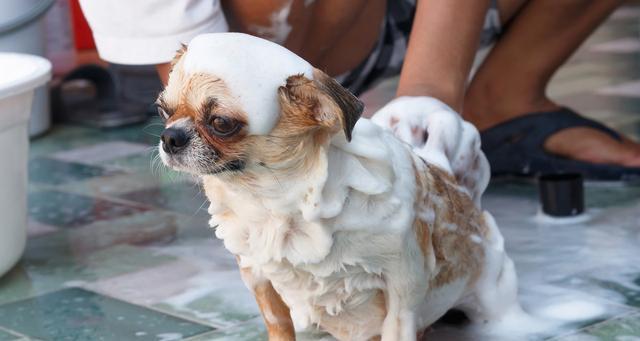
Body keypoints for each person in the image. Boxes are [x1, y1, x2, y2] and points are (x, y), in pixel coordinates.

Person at [79, 0, 639, 180]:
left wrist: (426, 103)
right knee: (237, 155)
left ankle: (505, 99)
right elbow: (205, 81)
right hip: (261, 76)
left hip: (407, 20)